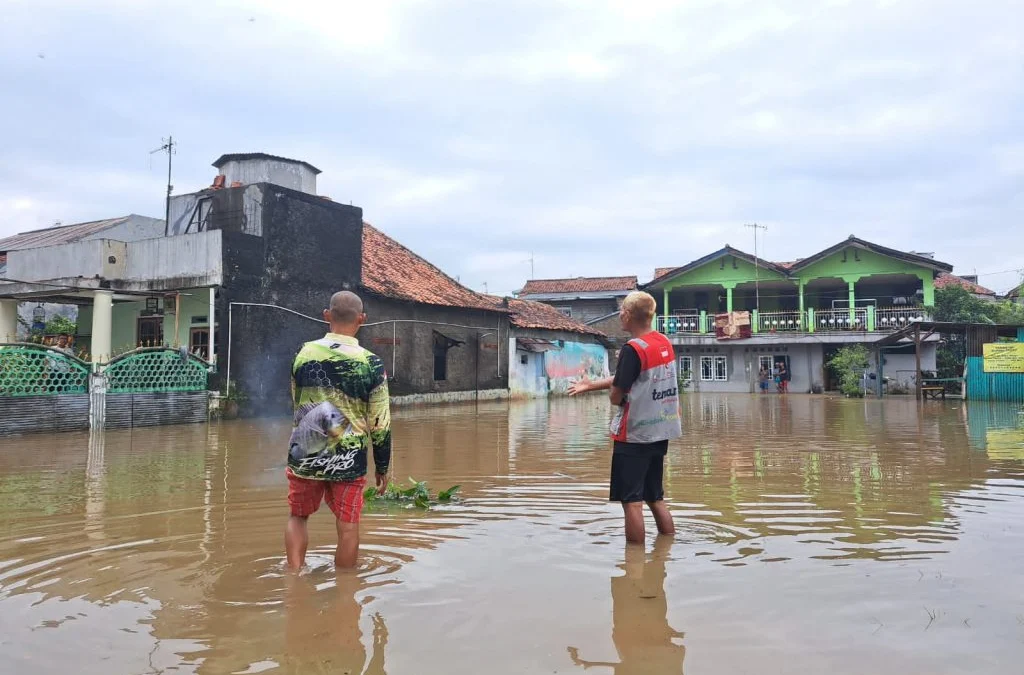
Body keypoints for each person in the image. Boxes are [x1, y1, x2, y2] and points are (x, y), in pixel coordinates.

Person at [285, 291, 392, 570]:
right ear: (362, 319)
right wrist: (382, 465)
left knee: (298, 517)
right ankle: (345, 592)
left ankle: (294, 578)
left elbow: (297, 401)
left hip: (306, 453)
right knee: (347, 528)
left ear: (327, 316)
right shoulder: (372, 363)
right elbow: (380, 422)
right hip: (350, 458)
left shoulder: (303, 353)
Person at [568, 291, 682, 544]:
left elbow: (617, 393)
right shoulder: (662, 342)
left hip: (634, 434)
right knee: (655, 496)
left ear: (628, 315)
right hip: (660, 430)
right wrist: (590, 385)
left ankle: (635, 566)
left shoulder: (633, 348)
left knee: (632, 502)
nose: (620, 315)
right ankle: (667, 548)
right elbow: (633, 377)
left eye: (622, 311)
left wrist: (615, 398)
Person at [567, 537, 686, 674]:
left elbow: (626, 666)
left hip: (644, 646)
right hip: (661, 652)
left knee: (632, 514)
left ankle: (637, 555)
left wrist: (587, 662)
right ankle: (662, 543)